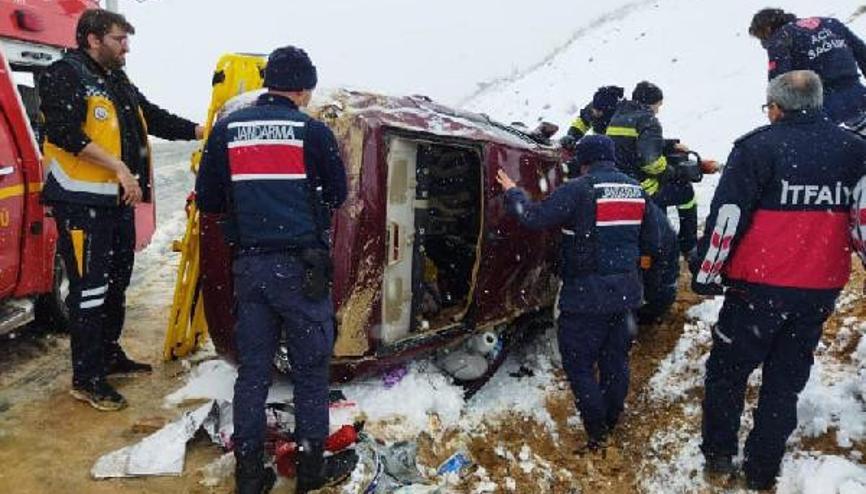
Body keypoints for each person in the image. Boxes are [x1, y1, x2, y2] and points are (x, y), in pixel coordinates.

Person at [691, 70, 866, 491]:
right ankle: (762, 470)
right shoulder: (855, 150)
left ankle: (718, 457)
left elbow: (727, 222)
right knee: (784, 384)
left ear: (776, 107)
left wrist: (705, 273)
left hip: (757, 289)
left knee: (727, 374)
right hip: (818, 291)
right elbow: (862, 221)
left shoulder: (757, 148)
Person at [195, 46, 353, 494]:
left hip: (250, 268)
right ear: (303, 87)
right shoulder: (313, 132)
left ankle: (249, 474)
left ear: (269, 83)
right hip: (303, 271)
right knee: (309, 371)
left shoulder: (226, 131)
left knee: (254, 371)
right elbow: (338, 194)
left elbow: (207, 200)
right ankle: (310, 471)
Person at [39, 8, 203, 412]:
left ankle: (109, 355)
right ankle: (87, 378)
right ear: (93, 39)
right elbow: (61, 133)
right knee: (89, 291)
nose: (126, 48)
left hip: (114, 204)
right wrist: (118, 167)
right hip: (80, 203)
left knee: (116, 283)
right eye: (119, 39)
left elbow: (152, 118)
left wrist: (202, 129)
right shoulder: (65, 74)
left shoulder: (114, 79)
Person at [497, 135, 658, 451]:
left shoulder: (579, 189)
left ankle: (597, 432)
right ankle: (611, 420)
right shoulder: (636, 190)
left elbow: (533, 218)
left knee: (579, 364)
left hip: (586, 295)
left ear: (584, 162)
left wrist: (513, 193)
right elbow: (653, 240)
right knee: (615, 360)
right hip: (625, 294)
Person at [606, 81, 698, 256]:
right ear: (650, 103)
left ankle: (658, 237)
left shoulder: (618, 116)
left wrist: (669, 145)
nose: (658, 111)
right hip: (640, 187)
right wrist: (676, 172)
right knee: (685, 191)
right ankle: (688, 244)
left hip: (617, 182)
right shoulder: (648, 120)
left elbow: (631, 144)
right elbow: (651, 163)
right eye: (658, 106)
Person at [749, 8, 866, 124]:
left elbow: (779, 83)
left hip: (824, 106)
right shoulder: (831, 24)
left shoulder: (780, 39)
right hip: (859, 95)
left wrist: (777, 117)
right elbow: (862, 52)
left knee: (815, 138)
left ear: (767, 29)